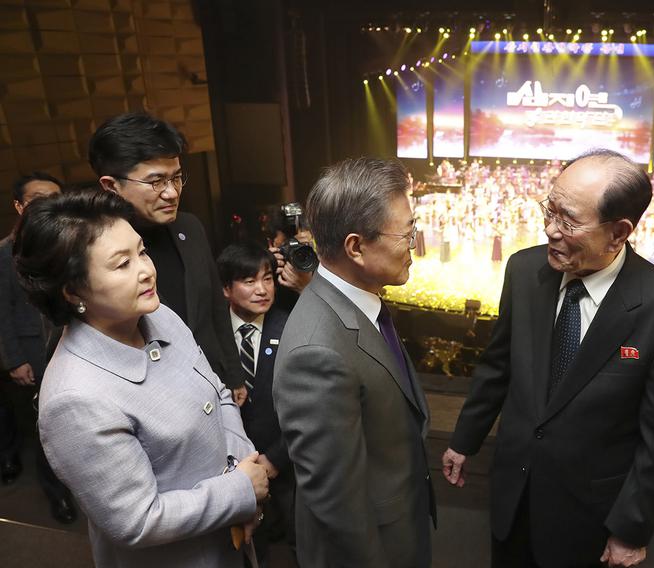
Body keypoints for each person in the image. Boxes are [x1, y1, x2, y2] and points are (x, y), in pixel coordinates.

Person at [442, 149, 654, 567]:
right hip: (513, 493)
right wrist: (464, 439)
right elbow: (499, 365)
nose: (550, 229)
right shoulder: (525, 271)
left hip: (589, 519)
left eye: (568, 220)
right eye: (550, 211)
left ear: (619, 232)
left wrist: (630, 528)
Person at [14, 190, 270, 567]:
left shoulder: (158, 315)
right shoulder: (74, 398)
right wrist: (239, 492)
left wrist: (242, 474)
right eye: (121, 264)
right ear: (73, 292)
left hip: (229, 541)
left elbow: (217, 394)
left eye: (142, 251)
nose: (146, 270)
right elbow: (138, 519)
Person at [273, 157, 434, 568]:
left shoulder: (360, 301)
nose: (414, 244)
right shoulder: (317, 352)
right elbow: (338, 506)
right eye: (407, 232)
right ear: (356, 247)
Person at [88, 112, 248, 405]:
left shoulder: (190, 227)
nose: (172, 193)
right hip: (154, 399)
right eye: (156, 181)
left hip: (212, 381)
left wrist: (234, 374)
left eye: (176, 177)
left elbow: (214, 306)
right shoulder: (93, 252)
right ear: (111, 185)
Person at [0, 172, 77, 524]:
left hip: (73, 347)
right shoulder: (5, 253)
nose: (46, 204)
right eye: (36, 198)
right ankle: (57, 494)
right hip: (33, 352)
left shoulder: (71, 243)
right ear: (19, 205)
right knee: (47, 428)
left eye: (54, 197)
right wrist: (13, 359)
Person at [217, 242, 296, 566]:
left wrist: (276, 457)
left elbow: (310, 409)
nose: (262, 290)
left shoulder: (291, 327)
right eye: (249, 281)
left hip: (286, 459)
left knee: (302, 542)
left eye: (268, 279)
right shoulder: (209, 333)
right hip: (232, 467)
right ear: (226, 288)